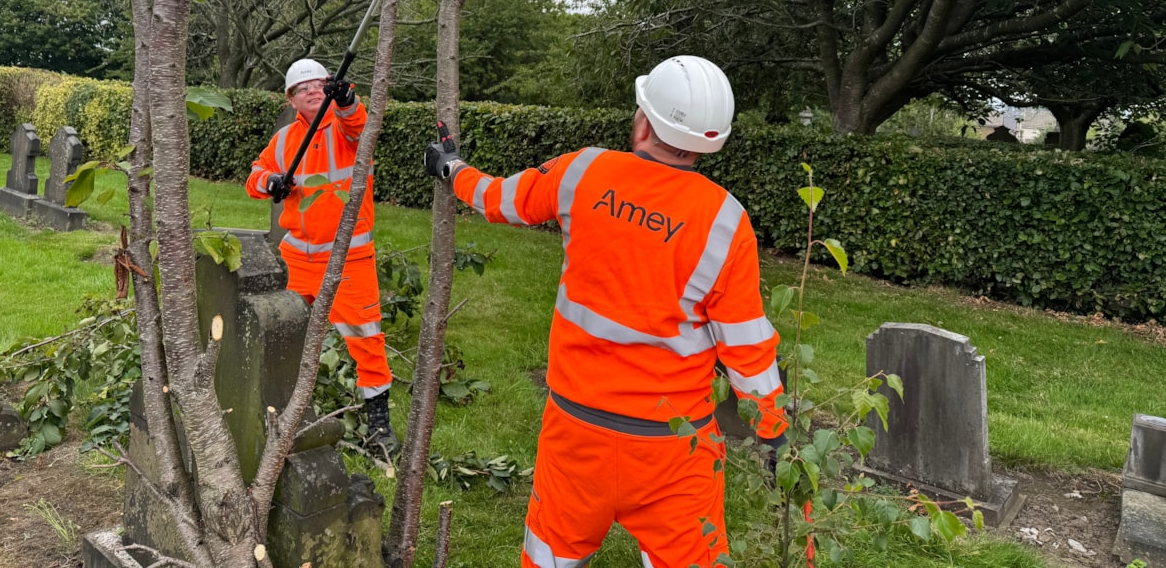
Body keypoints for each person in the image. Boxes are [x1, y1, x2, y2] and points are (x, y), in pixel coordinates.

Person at [424, 55, 787, 568]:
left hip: (576, 432)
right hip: (674, 448)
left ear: (643, 121)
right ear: (715, 139)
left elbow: (501, 199)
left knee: (549, 556)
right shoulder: (726, 220)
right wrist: (775, 430)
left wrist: (450, 167)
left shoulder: (584, 170)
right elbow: (747, 348)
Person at [248, 58, 397, 455]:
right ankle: (283, 409)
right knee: (284, 331)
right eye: (303, 88)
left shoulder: (348, 129)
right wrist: (271, 182)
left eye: (320, 85)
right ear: (291, 99)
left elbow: (359, 124)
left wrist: (347, 101)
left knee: (365, 337)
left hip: (349, 258)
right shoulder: (283, 141)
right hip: (297, 259)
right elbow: (254, 176)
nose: (313, 91)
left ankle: (378, 425)